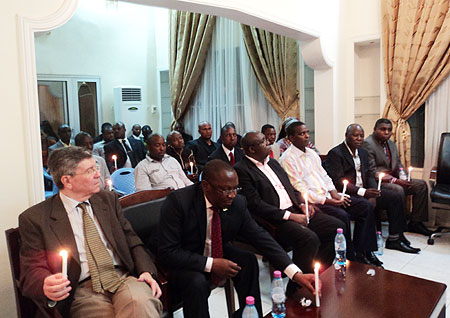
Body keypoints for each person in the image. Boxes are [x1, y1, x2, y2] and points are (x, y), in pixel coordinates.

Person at [158, 160, 319, 318]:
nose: (232, 195)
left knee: (247, 261)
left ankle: (249, 314)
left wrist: (296, 274)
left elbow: (261, 237)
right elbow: (167, 252)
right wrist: (212, 264)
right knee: (197, 282)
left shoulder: (237, 202)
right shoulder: (178, 202)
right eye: (226, 190)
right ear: (206, 186)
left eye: (235, 188)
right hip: (184, 259)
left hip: (215, 248)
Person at [19, 147, 162, 318]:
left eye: (96, 168)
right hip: (81, 289)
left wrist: (146, 271)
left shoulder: (107, 200)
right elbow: (32, 268)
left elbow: (132, 240)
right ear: (67, 181)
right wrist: (45, 283)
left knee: (141, 303)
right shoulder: (35, 218)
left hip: (122, 277)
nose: (97, 174)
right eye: (90, 170)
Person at [234, 132, 345, 284]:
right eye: (264, 141)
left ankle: (318, 273)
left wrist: (302, 204)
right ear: (252, 149)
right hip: (274, 220)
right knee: (308, 238)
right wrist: (290, 216)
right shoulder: (242, 169)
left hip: (295, 210)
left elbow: (290, 188)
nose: (269, 143)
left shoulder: (272, 163)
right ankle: (298, 287)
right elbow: (255, 205)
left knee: (336, 226)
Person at [280, 121, 386, 264]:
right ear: (291, 138)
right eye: (302, 134)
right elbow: (298, 189)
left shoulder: (311, 153)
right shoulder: (287, 159)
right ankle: (349, 258)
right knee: (343, 216)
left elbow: (325, 176)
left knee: (365, 206)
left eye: (307, 133)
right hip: (315, 202)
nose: (306, 136)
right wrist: (329, 201)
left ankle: (364, 251)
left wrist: (334, 193)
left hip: (329, 195)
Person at [324, 124, 420, 255]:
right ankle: (363, 251)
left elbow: (369, 175)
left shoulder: (362, 152)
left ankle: (395, 238)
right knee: (367, 206)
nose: (359, 139)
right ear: (346, 136)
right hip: (347, 194)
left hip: (364, 191)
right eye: (355, 135)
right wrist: (364, 193)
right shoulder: (336, 153)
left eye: (361, 136)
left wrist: (373, 194)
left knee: (395, 197)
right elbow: (338, 182)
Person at [362, 118, 432, 236]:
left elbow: (398, 164)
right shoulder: (368, 144)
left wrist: (404, 176)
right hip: (378, 182)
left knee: (421, 185)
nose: (386, 132)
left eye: (389, 130)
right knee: (398, 189)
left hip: (395, 179)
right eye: (383, 129)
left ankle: (416, 223)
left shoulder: (391, 143)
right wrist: (396, 181)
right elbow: (372, 172)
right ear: (375, 130)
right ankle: (399, 228)